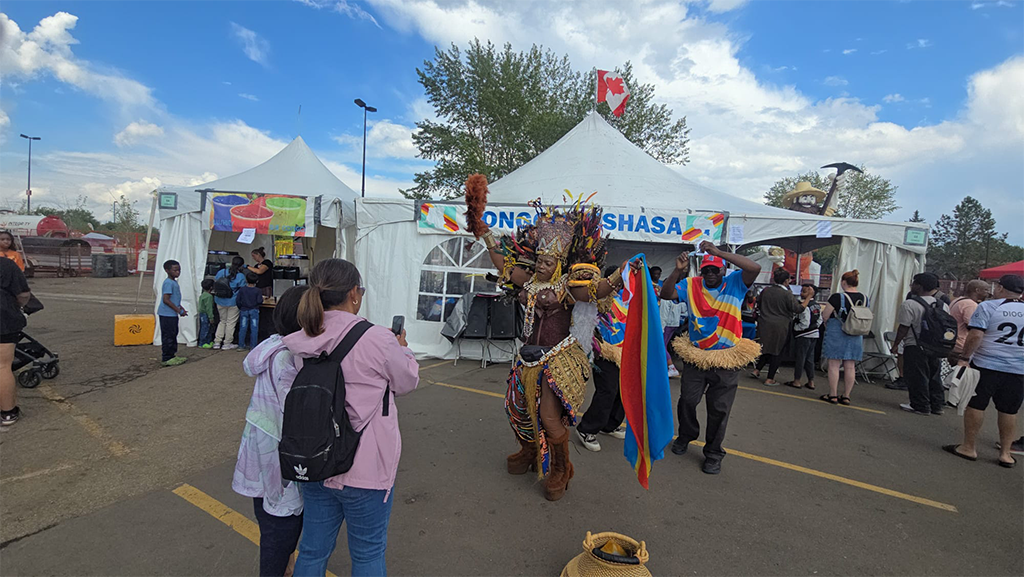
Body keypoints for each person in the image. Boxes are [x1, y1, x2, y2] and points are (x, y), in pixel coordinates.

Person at [470, 183, 621, 500]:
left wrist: (622, 273)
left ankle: (561, 469)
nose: (541, 264)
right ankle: (528, 453)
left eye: (548, 262)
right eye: (539, 260)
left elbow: (598, 291)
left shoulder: (568, 286)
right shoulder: (529, 281)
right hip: (526, 358)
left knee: (550, 418)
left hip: (557, 359)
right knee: (519, 411)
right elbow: (503, 266)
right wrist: (485, 235)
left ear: (560, 264)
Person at [284, 259, 419, 577]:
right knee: (368, 553)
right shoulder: (378, 339)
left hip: (315, 460)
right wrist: (404, 350)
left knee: (314, 550)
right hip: (365, 468)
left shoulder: (301, 338)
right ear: (355, 295)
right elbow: (406, 382)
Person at [660, 241, 762, 475]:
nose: (711, 274)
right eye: (706, 270)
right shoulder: (691, 284)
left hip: (727, 360)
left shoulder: (735, 282)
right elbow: (666, 294)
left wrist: (717, 253)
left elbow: (754, 268)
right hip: (697, 357)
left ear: (723, 270)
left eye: (715, 270)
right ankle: (686, 435)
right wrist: (678, 270)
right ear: (701, 271)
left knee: (719, 409)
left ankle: (714, 453)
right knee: (687, 400)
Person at [233, 285, 309, 577]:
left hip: (261, 450)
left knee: (269, 519)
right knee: (282, 528)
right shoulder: (290, 358)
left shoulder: (273, 345)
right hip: (281, 454)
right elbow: (297, 412)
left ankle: (285, 566)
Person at [943, 274, 1024, 468]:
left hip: (986, 364)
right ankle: (1005, 453)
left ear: (1002, 288)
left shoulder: (989, 306)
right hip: (1018, 368)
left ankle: (969, 447)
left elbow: (976, 335)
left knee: (976, 405)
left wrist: (964, 357)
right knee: (1009, 410)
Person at [577, 266, 628, 453]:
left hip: (626, 353)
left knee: (623, 391)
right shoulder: (599, 295)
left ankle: (611, 424)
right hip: (605, 350)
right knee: (607, 390)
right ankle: (587, 429)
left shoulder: (630, 297)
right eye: (619, 280)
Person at [891, 272, 949, 416]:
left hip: (915, 344)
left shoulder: (910, 304)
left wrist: (896, 343)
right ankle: (937, 405)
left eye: (914, 283)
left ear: (919, 286)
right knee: (934, 375)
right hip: (936, 346)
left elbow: (904, 327)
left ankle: (920, 405)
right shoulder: (943, 305)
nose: (912, 286)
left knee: (917, 376)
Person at [752, 269, 806, 385]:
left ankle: (757, 370)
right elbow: (798, 309)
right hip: (781, 326)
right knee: (777, 351)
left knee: (765, 348)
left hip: (764, 323)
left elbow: (759, 304)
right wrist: (808, 298)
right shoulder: (787, 294)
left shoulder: (765, 291)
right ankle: (770, 378)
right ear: (786, 281)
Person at [819, 270, 866, 405]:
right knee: (850, 365)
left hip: (837, 331)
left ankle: (833, 394)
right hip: (856, 333)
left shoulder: (836, 297)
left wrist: (827, 324)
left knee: (834, 364)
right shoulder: (864, 297)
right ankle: (846, 395)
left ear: (844, 282)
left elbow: (826, 314)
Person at [0, 257, 31, 426]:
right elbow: (23, 294)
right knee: (3, 366)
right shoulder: (6, 265)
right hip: (3, 317)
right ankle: (7, 413)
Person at [786, 284, 821, 390]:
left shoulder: (804, 306)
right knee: (810, 358)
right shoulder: (817, 305)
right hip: (815, 333)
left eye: (804, 292)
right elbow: (820, 320)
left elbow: (805, 322)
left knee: (800, 358)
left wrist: (797, 328)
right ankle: (811, 381)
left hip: (804, 334)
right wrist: (815, 327)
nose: (801, 293)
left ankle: (797, 380)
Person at [948, 280, 991, 363]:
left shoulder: (958, 300)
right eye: (986, 290)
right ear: (977, 290)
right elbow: (974, 328)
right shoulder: (970, 305)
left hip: (953, 343)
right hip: (962, 347)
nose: (988, 293)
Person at [158, 260, 188, 367]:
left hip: (171, 314)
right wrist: (178, 310)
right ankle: (167, 357)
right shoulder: (168, 283)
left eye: (179, 270)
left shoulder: (173, 282)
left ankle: (172, 355)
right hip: (167, 314)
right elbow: (166, 299)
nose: (178, 272)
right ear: (167, 270)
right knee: (168, 336)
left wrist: (181, 308)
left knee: (173, 333)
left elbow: (174, 300)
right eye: (175, 270)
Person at [214, 256, 247, 350]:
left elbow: (216, 281)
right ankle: (227, 343)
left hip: (219, 300)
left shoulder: (222, 272)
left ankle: (217, 342)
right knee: (230, 323)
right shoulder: (240, 276)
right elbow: (242, 289)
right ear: (241, 265)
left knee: (222, 321)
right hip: (233, 301)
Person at [237, 272, 263, 351]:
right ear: (257, 281)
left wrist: (240, 307)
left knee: (243, 328)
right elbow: (259, 301)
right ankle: (253, 346)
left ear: (246, 280)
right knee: (254, 328)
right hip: (254, 310)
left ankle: (241, 345)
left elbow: (238, 300)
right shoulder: (258, 290)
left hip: (244, 309)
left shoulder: (242, 289)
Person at [198, 279, 216, 349]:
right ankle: (203, 343)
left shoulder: (203, 295)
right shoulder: (209, 296)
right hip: (206, 314)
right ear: (211, 287)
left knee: (204, 328)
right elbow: (209, 308)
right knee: (206, 329)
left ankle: (207, 342)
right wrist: (211, 317)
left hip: (202, 313)